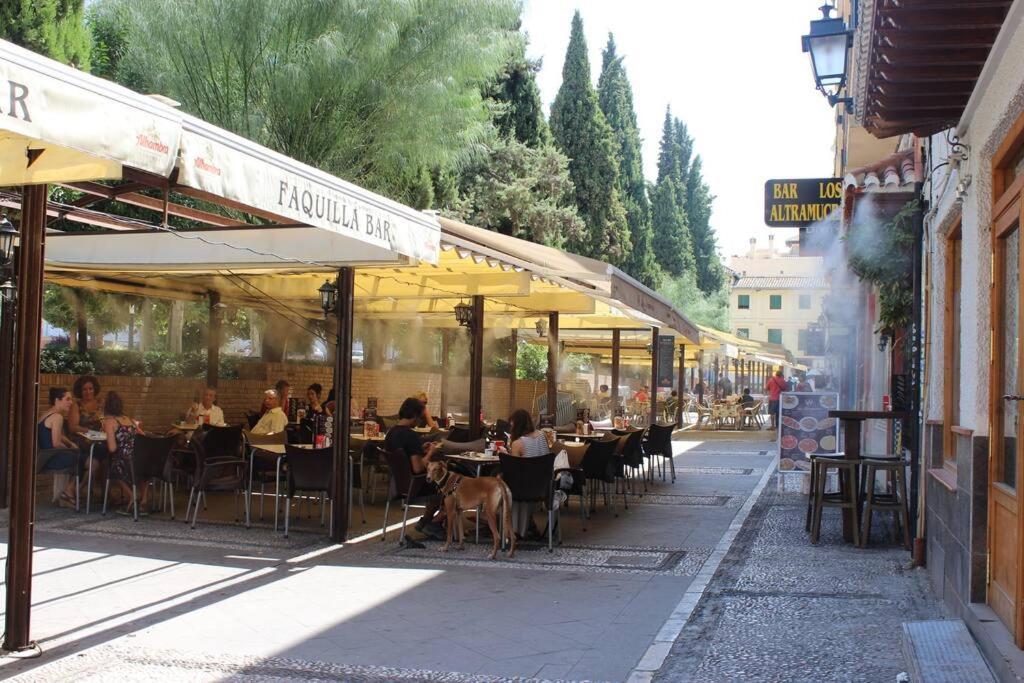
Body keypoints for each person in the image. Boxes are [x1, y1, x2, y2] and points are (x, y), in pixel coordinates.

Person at [383, 397, 443, 546]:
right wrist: (430, 453)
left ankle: (426, 522)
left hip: (398, 483)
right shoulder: (411, 435)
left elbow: (405, 456)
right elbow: (417, 468)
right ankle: (434, 523)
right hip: (414, 484)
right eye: (420, 417)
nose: (420, 421)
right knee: (450, 486)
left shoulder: (390, 434)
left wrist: (420, 450)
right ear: (415, 416)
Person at [38, 387, 94, 507]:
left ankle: (68, 493)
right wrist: (71, 449)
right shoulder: (57, 417)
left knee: (80, 456)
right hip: (52, 459)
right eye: (67, 399)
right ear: (57, 400)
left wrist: (69, 443)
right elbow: (56, 443)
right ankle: (69, 492)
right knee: (90, 462)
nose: (71, 402)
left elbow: (57, 435)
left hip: (44, 457)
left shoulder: (46, 414)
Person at [506, 409, 550, 540]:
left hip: (524, 490)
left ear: (517, 425)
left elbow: (515, 469)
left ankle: (500, 522)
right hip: (543, 487)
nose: (511, 428)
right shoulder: (542, 436)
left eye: (512, 425)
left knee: (499, 479)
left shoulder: (518, 443)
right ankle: (528, 525)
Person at [103, 391, 144, 513]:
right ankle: (134, 496)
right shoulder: (130, 420)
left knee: (112, 467)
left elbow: (112, 448)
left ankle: (131, 495)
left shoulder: (109, 422)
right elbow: (142, 435)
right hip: (138, 459)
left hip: (125, 461)